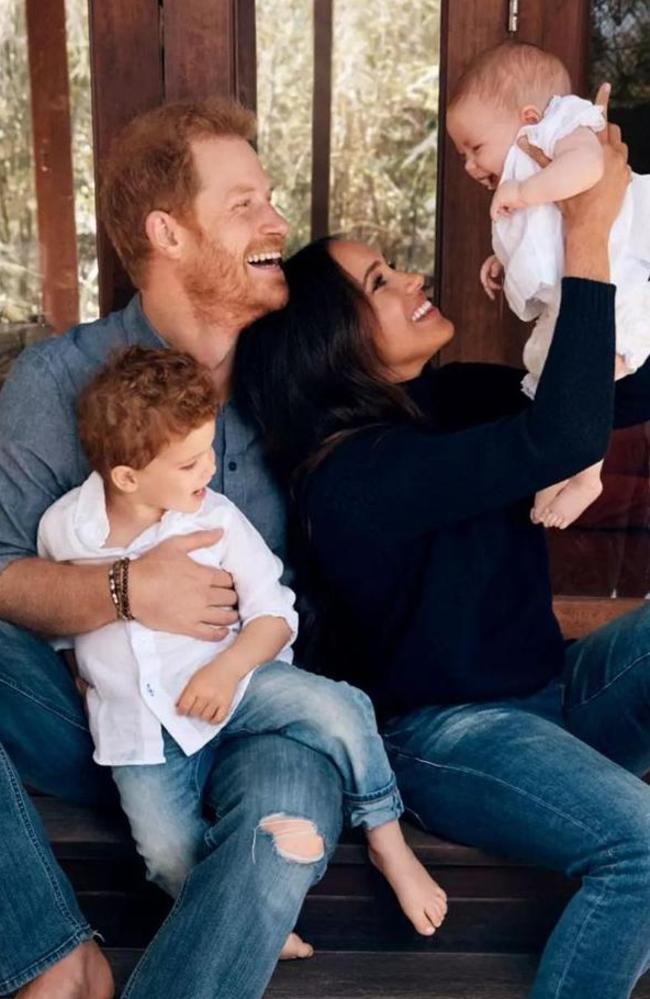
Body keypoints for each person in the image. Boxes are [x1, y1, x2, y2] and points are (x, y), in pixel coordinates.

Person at [235, 114, 650, 999]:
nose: (414, 276)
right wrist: (578, 227)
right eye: (381, 280)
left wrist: (589, 255)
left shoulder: (448, 398)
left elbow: (609, 394)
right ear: (330, 344)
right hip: (449, 737)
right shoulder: (351, 477)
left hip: (551, 694)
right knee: (643, 848)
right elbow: (563, 432)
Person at [0, 97, 346, 999]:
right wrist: (125, 590)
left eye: (269, 199)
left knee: (285, 838)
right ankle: (50, 956)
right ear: (168, 232)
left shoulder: (300, 372)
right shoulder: (57, 380)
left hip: (260, 707)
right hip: (110, 723)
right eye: (245, 205)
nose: (278, 223)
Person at [36, 344, 447, 938]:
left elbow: (275, 615)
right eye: (188, 463)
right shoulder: (65, 529)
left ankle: (387, 838)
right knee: (164, 851)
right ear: (127, 476)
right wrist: (78, 665)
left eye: (209, 450)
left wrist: (227, 670)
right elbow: (61, 615)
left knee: (341, 708)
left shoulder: (217, 519)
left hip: (239, 679)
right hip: (140, 730)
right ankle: (239, 919)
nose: (208, 469)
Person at [446, 42, 650, 530]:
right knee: (551, 378)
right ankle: (562, 465)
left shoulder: (566, 128)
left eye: (475, 148)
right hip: (574, 295)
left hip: (615, 288)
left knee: (588, 377)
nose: (472, 167)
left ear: (529, 117)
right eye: (462, 156)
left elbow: (589, 170)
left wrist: (523, 191)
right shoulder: (530, 167)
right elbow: (544, 235)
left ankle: (587, 474)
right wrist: (502, 259)